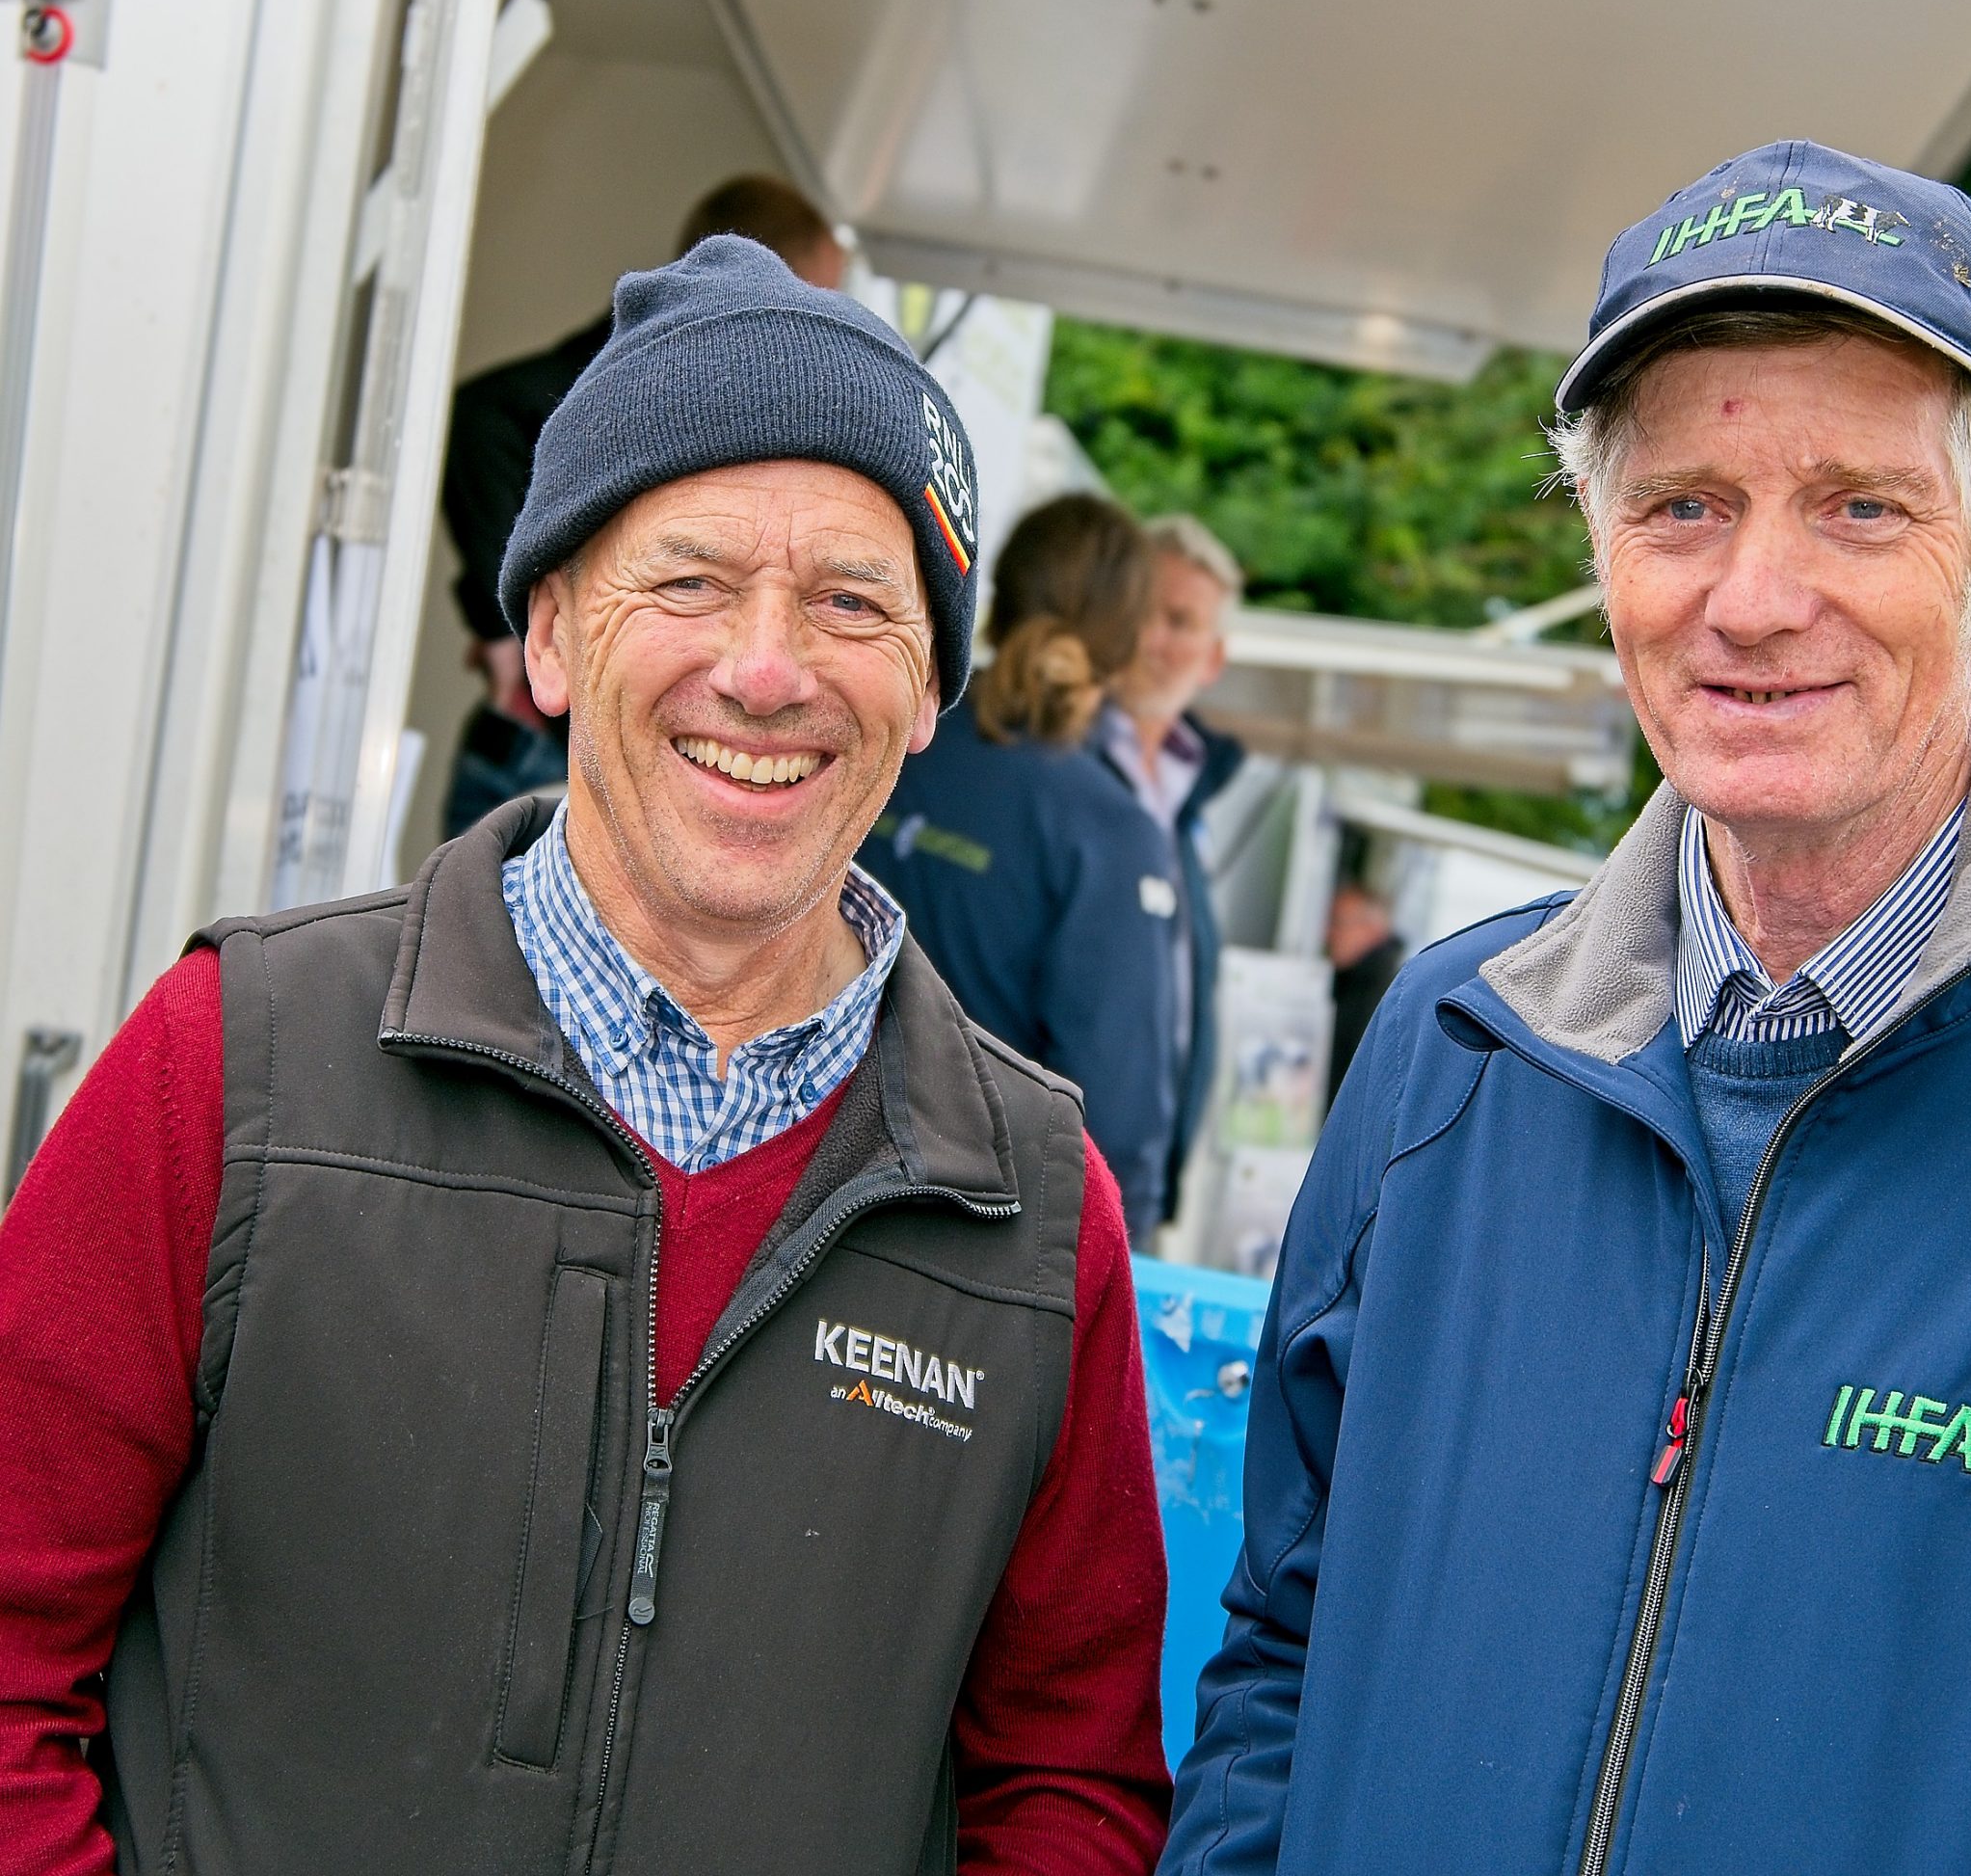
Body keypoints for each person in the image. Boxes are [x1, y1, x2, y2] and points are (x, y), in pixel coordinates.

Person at [1161, 141, 1971, 1875]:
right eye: (1684, 505)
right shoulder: (1452, 1049)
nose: (1755, 600)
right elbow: (1280, 1661)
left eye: (1859, 505)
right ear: (1606, 548)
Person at [0, 238, 1171, 1874]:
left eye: (851, 602)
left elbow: (1070, 1786)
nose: (765, 669)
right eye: (687, 581)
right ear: (549, 636)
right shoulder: (239, 1063)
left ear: (925, 692)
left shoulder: (1036, 1217)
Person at [438, 174, 846, 836]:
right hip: (548, 756)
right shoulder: (656, 361)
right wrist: (501, 619)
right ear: (771, 280)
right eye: (823, 295)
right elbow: (485, 416)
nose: (829, 324)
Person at [860, 495, 1183, 1246]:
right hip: (972, 1234)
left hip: (805, 1177)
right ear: (1128, 639)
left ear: (997, 595)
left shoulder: (894, 742)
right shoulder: (1108, 828)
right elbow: (1115, 1113)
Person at [1094, 512, 1246, 1219]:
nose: (1153, 638)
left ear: (1213, 659)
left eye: (1181, 621)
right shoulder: (1055, 759)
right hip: (1041, 1167)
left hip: (1138, 1191)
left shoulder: (1192, 790)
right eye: (1142, 609)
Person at [1320, 878, 1401, 1105]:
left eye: (1338, 923)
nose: (1328, 934)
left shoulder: (1379, 994)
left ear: (1372, 929)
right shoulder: (1357, 981)